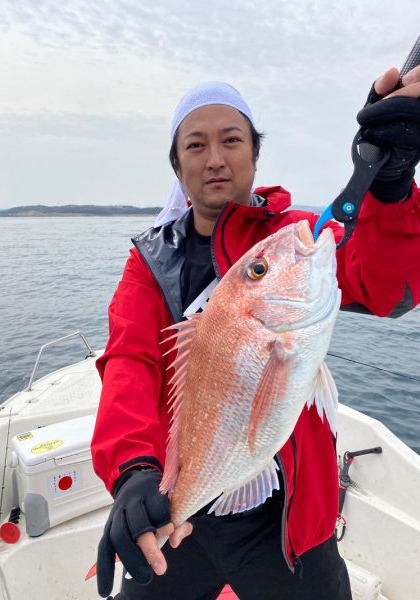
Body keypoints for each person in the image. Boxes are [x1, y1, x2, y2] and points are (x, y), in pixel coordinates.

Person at [91, 65, 420, 600]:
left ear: (254, 154)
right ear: (177, 166)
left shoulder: (290, 239)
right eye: (195, 145)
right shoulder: (151, 261)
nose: (215, 158)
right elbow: (129, 361)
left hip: (290, 521)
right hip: (187, 508)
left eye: (231, 140)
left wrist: (389, 183)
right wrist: (133, 469)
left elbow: (388, 288)